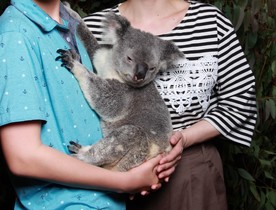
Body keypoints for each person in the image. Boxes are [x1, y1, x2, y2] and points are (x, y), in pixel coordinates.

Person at [83, 0, 258, 209]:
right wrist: (115, 174)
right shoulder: (94, 26)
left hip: (188, 172)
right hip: (103, 171)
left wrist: (182, 139)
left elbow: (239, 102)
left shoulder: (210, 22)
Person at [0, 0, 174, 209]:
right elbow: (23, 157)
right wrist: (124, 182)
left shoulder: (69, 26)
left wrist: (161, 156)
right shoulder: (15, 33)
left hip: (107, 200)